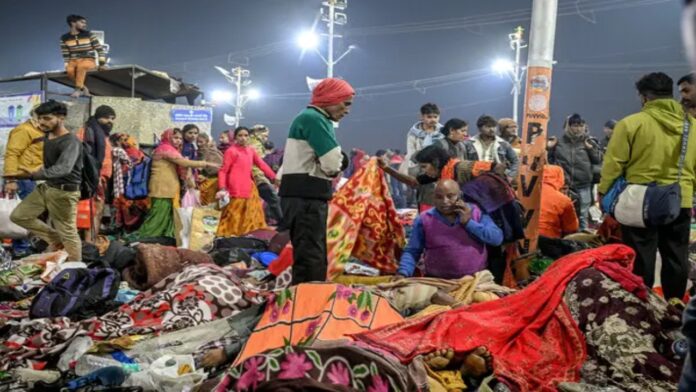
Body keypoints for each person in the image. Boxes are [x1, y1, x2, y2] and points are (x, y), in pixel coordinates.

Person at [600, 72, 696, 301]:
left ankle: (644, 307)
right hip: (679, 199)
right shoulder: (692, 125)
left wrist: (604, 192)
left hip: (639, 201)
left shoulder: (631, 124)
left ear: (643, 97)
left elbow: (614, 164)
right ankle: (674, 306)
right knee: (676, 256)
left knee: (642, 257)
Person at [279, 77, 354, 284]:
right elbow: (332, 163)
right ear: (331, 99)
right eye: (345, 103)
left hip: (299, 196)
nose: (347, 110)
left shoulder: (308, 117)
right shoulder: (315, 119)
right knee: (311, 255)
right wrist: (340, 160)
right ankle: (308, 305)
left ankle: (305, 300)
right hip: (306, 197)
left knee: (307, 251)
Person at [8, 101, 83, 261]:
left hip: (64, 191)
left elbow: (63, 168)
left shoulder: (70, 141)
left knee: (68, 232)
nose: (42, 122)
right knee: (19, 216)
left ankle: (76, 270)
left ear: (61, 118)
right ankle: (55, 239)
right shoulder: (47, 137)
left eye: (47, 118)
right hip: (48, 187)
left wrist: (34, 175)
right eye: (40, 118)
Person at [395, 179, 503, 279]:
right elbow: (413, 250)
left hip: (476, 279)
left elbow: (496, 239)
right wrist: (403, 273)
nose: (444, 201)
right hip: (438, 281)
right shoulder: (424, 219)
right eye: (439, 197)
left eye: (450, 196)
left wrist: (468, 223)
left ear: (459, 196)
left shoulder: (475, 212)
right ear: (433, 197)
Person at [137, 129, 218, 239]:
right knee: (157, 216)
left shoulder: (171, 149)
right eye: (175, 138)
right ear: (168, 137)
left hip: (169, 188)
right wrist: (206, 163)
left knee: (168, 215)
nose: (178, 141)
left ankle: (163, 238)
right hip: (161, 188)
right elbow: (184, 162)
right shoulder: (165, 149)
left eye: (180, 138)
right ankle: (145, 237)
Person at [216, 127, 277, 237]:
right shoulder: (231, 151)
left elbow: (261, 164)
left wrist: (274, 177)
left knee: (252, 215)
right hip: (235, 188)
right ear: (235, 137)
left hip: (249, 188)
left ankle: (250, 237)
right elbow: (223, 171)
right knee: (234, 215)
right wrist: (222, 187)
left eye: (245, 135)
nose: (243, 138)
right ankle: (233, 237)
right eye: (240, 135)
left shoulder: (250, 150)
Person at [548, 113, 602, 230]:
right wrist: (549, 148)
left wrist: (591, 149)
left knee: (583, 215)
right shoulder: (558, 142)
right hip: (565, 185)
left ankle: (582, 241)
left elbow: (598, 160)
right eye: (575, 125)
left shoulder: (589, 141)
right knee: (564, 213)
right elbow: (549, 161)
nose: (578, 128)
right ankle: (566, 240)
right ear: (568, 126)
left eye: (580, 125)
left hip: (583, 184)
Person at [3, 109, 44, 257]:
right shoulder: (24, 130)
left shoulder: (38, 131)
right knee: (20, 214)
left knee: (25, 214)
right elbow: (12, 154)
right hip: (20, 178)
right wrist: (10, 179)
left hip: (29, 178)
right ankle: (21, 249)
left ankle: (21, 246)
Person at [76, 105, 115, 241]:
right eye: (106, 118)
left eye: (112, 118)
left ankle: (91, 242)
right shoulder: (87, 131)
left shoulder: (102, 135)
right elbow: (84, 156)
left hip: (100, 179)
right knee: (91, 211)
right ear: (97, 117)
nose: (110, 121)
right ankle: (88, 243)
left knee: (96, 212)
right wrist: (94, 177)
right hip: (91, 179)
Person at [404, 103, 444, 209]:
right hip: (420, 169)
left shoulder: (443, 132)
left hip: (440, 169)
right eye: (429, 117)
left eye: (435, 117)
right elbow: (411, 153)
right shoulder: (413, 134)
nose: (433, 120)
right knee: (424, 198)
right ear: (421, 117)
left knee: (441, 196)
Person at [464, 115, 520, 182]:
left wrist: (511, 175)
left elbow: (515, 161)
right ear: (480, 128)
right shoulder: (468, 144)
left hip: (497, 178)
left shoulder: (503, 144)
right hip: (475, 178)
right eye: (488, 127)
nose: (492, 129)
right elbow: (463, 163)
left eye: (494, 126)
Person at [61, 15, 107, 98]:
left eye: (85, 23)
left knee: (82, 66)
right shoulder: (64, 38)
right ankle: (84, 88)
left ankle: (78, 89)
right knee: (69, 70)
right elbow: (65, 53)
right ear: (73, 23)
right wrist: (66, 63)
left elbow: (100, 49)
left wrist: (102, 64)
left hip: (88, 60)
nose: (85, 25)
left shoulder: (89, 34)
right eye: (82, 22)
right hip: (73, 60)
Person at [249, 124, 283, 226]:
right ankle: (283, 224)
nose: (266, 138)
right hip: (257, 177)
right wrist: (272, 177)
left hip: (254, 177)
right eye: (265, 135)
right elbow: (259, 163)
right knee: (273, 199)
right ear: (257, 133)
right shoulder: (255, 145)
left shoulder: (253, 144)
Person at [539, 165, 579, 239]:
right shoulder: (563, 199)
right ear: (560, 178)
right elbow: (572, 228)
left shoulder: (520, 193)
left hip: (521, 241)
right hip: (549, 241)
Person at [195, 132, 223, 206]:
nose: (198, 144)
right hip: (210, 180)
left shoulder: (207, 152)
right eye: (197, 142)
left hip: (211, 180)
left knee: (208, 201)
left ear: (207, 141)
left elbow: (201, 166)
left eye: (201, 142)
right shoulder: (214, 150)